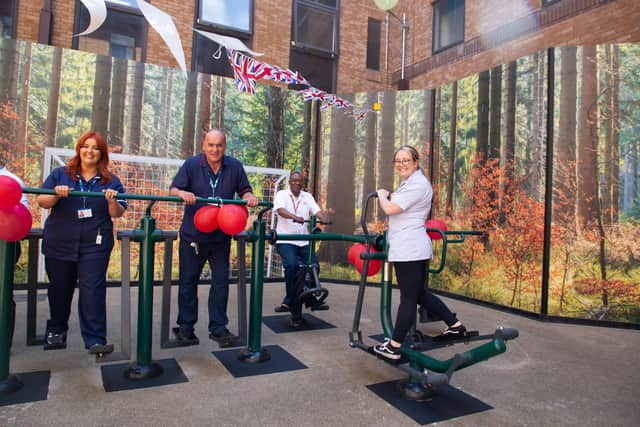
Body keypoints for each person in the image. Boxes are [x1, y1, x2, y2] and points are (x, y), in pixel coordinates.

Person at [36, 131, 127, 355]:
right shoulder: (60, 174)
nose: (90, 151)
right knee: (59, 289)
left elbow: (118, 213)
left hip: (95, 245)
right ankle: (57, 329)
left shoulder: (111, 181)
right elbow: (41, 200)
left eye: (95, 148)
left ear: (102, 154)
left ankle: (95, 340)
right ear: (79, 149)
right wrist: (57, 194)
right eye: (86, 146)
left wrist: (111, 200)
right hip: (60, 242)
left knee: (92, 291)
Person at [373, 145, 466, 360]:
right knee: (419, 295)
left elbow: (390, 209)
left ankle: (394, 347)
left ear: (416, 163)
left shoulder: (418, 184)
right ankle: (455, 325)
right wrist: (390, 195)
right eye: (398, 161)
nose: (402, 164)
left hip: (410, 249)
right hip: (407, 247)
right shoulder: (408, 184)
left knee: (408, 298)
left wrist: (381, 195)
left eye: (406, 160)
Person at [170, 129, 259, 346]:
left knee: (221, 282)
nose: (214, 149)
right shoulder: (191, 165)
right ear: (204, 146)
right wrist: (183, 194)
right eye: (210, 145)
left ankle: (218, 327)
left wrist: (249, 197)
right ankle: (186, 327)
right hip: (193, 235)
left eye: (219, 145)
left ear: (224, 147)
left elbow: (245, 190)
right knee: (188, 281)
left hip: (221, 237)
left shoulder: (234, 166)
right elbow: (173, 188)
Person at [272, 171, 329, 325]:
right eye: (294, 181)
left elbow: (316, 210)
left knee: (314, 267)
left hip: (303, 241)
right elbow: (280, 211)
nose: (297, 183)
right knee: (292, 266)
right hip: (286, 240)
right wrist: (294, 217)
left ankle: (296, 299)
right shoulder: (282, 194)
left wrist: (323, 218)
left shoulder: (307, 196)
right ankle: (300, 301)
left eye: (300, 181)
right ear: (290, 182)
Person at [0, 162, 30, 346]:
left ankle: (3, 344)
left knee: (2, 294)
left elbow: (22, 214)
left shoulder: (11, 180)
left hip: (5, 246)